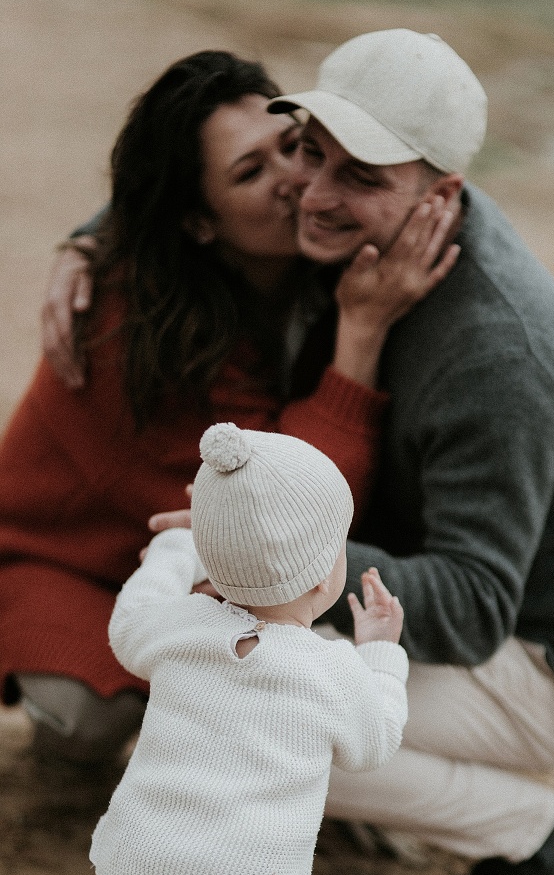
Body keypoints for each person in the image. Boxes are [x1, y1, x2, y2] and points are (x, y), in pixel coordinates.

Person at [43, 30, 554, 875]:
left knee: (254, 708)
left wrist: (276, 551)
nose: (311, 193)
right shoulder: (359, 222)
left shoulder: (499, 352)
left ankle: (545, 839)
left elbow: (474, 606)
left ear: (440, 195)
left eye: (361, 175)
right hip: (472, 609)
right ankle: (404, 790)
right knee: (239, 669)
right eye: (309, 150)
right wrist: (93, 238)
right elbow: (187, 180)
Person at [0, 49, 455, 783]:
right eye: (251, 173)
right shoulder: (135, 325)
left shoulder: (296, 255)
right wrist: (362, 335)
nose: (298, 180)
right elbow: (277, 513)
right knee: (92, 712)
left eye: (293, 145)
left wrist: (89, 232)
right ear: (199, 222)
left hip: (174, 557)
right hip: (63, 558)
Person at [91, 423, 408, 875]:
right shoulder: (329, 672)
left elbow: (128, 620)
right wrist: (381, 655)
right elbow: (376, 740)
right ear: (326, 575)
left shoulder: (178, 626)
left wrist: (176, 547)